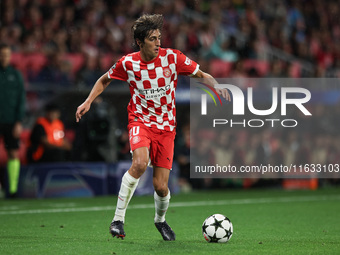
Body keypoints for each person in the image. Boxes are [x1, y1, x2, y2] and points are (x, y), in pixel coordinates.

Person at [75, 14, 230, 241]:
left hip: (166, 128)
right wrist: (88, 101)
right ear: (140, 42)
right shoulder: (128, 63)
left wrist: (217, 86)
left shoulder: (172, 58)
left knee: (161, 187)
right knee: (139, 163)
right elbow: (103, 80)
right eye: (152, 39)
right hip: (140, 121)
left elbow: (201, 74)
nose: (158, 43)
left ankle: (160, 221)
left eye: (159, 38)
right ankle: (118, 219)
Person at [0, 43, 26, 198]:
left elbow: (21, 99)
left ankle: (13, 190)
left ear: (10, 56)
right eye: (2, 54)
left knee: (13, 153)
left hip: (11, 120)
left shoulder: (16, 75)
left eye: (6, 55)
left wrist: (18, 121)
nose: (4, 57)